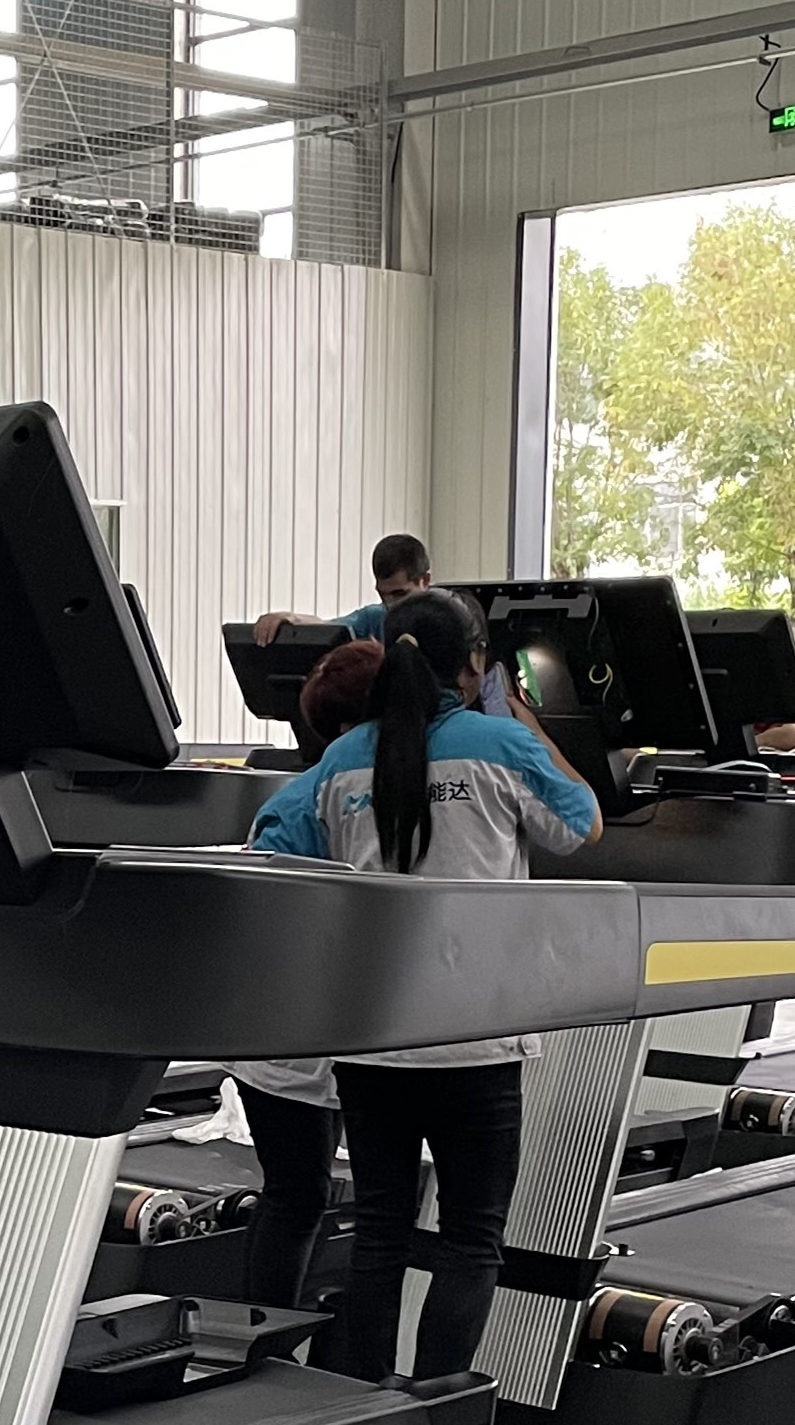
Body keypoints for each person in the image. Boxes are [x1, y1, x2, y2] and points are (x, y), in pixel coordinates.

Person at [248, 590, 601, 1382]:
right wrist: (520, 716)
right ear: (474, 665)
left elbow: (284, 850)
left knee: (380, 1235)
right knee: (472, 1239)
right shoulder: (499, 743)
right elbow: (583, 823)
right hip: (475, 1039)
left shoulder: (342, 759)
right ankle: (439, 1414)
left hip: (373, 1041)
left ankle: (366, 1416)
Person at [230, 635, 380, 1307]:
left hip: (304, 1029)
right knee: (298, 1195)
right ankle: (264, 1336)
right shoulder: (323, 800)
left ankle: (273, 1333)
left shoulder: (318, 793)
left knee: (300, 1194)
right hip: (294, 1031)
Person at [253, 532, 431, 652]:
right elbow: (331, 629)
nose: (390, 604)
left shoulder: (444, 621)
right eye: (383, 595)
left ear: (425, 581)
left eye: (400, 594)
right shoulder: (375, 617)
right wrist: (290, 618)